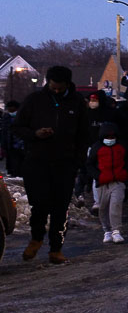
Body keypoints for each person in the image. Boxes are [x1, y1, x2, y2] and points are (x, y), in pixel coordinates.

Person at [12, 65, 90, 264]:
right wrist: (34, 134)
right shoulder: (34, 100)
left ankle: (56, 248)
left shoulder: (77, 102)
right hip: (36, 161)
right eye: (53, 87)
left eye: (60, 88)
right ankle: (36, 238)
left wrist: (77, 160)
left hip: (65, 163)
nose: (56, 91)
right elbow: (17, 127)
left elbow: (84, 134)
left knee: (60, 208)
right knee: (38, 205)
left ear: (67, 84)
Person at [88, 123, 128, 242]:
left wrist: (125, 175)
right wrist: (98, 177)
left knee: (115, 205)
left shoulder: (121, 146)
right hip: (103, 183)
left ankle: (116, 230)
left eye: (112, 137)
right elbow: (89, 164)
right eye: (108, 137)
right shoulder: (97, 147)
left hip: (118, 182)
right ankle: (107, 230)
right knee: (103, 208)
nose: (110, 140)